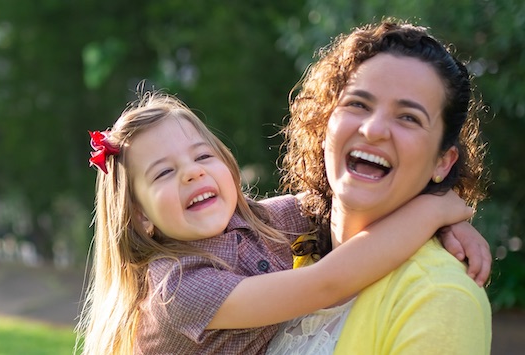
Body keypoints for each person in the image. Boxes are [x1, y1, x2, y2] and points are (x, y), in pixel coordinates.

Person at [75, 90, 488, 355]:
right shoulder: (178, 287)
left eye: (203, 156)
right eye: (163, 173)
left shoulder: (273, 219)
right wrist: (433, 211)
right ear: (141, 216)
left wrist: (444, 221)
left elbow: (365, 201)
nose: (191, 173)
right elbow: (325, 283)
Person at [269, 19, 492, 354]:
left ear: (442, 162)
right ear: (325, 122)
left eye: (408, 117)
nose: (373, 130)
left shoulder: (441, 296)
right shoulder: (275, 249)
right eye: (358, 104)